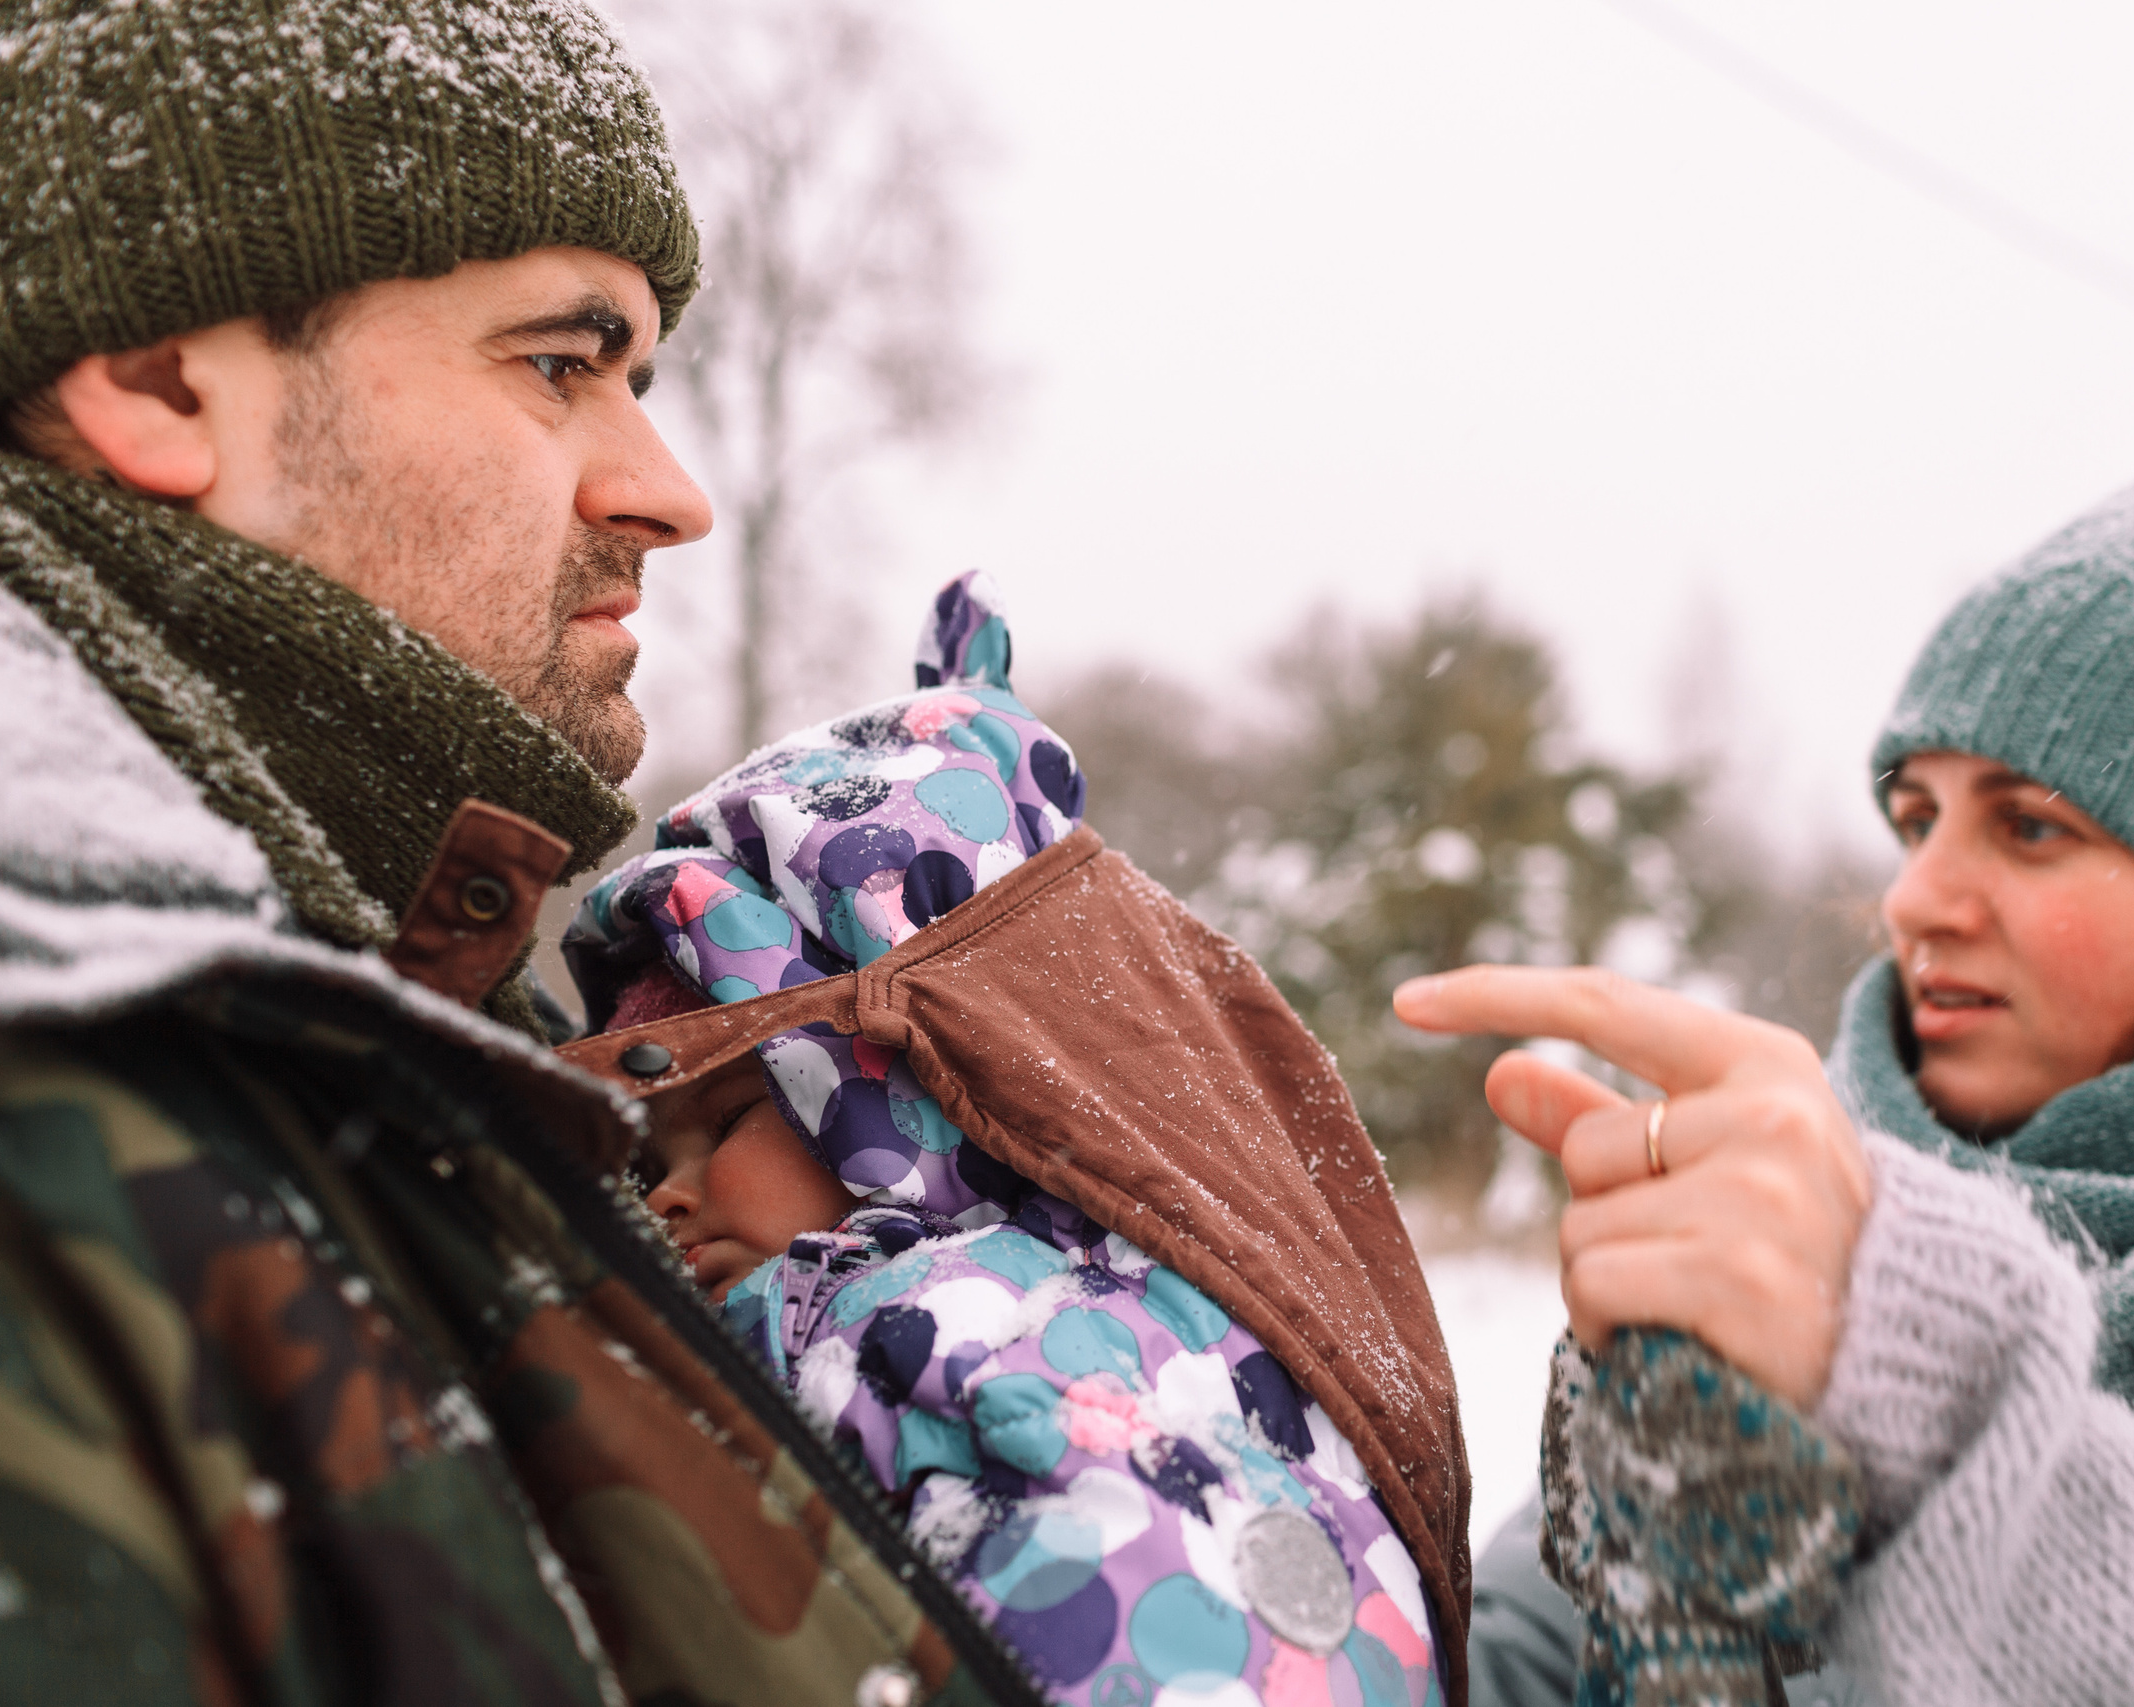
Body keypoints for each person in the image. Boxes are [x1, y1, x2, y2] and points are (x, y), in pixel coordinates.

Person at [0, 4, 1040, 1701]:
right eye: (562, 362)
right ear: (155, 379)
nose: (668, 490)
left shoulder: (367, 1052)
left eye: (640, 379)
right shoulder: (72, 1109)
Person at [1410, 423, 2134, 1705]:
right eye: (1915, 819)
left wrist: (1978, 1444)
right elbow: (1496, 1675)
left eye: (2028, 826)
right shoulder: (1811, 1226)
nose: (1913, 899)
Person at [560, 574, 1460, 1707]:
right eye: (641, 1165)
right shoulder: (1129, 1310)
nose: (663, 1201)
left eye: (725, 1124)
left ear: (911, 1088)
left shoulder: (960, 1347)